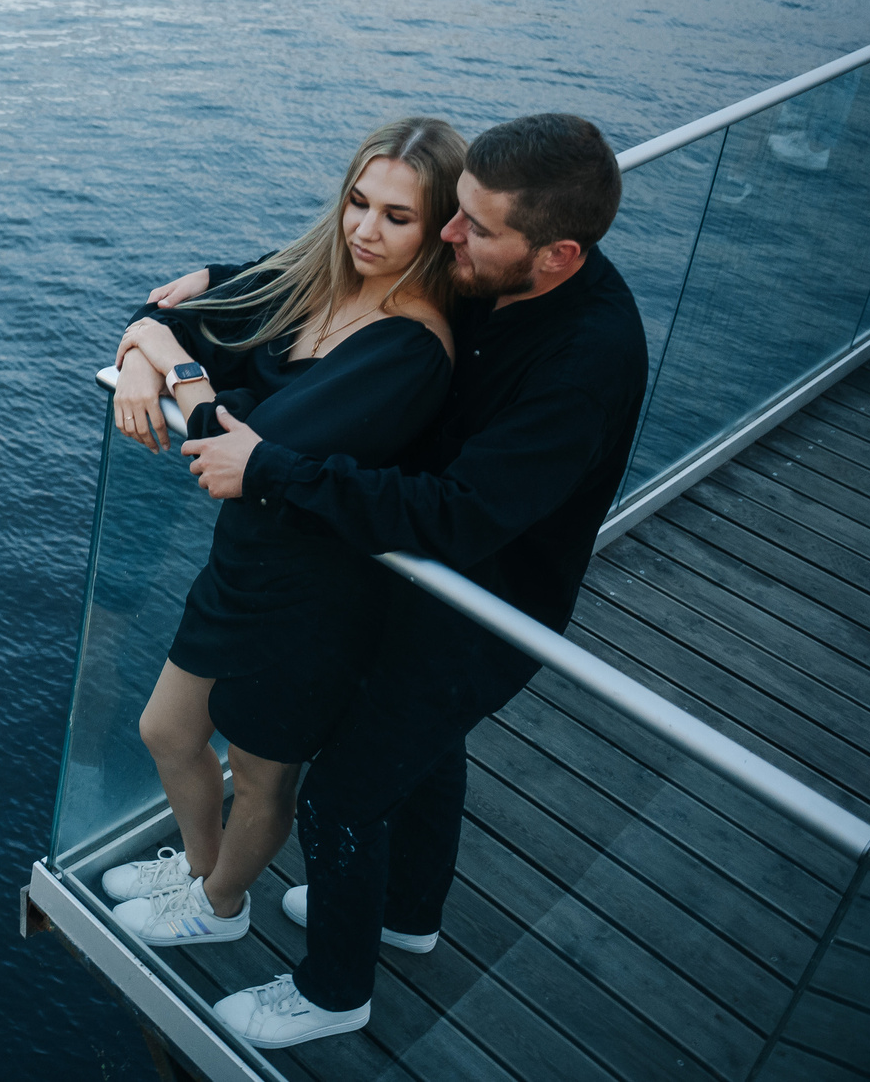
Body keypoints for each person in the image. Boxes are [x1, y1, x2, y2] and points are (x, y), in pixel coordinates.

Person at [182, 114, 647, 1049]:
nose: (447, 235)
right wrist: (222, 280)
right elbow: (355, 267)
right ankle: (407, 911)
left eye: (473, 225)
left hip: (487, 608)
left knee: (341, 794)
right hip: (426, 580)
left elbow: (461, 513)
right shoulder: (496, 271)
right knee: (424, 753)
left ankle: (333, 990)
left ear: (555, 255)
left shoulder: (582, 364)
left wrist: (271, 466)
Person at [97, 117, 467, 950]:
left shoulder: (411, 345)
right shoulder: (314, 280)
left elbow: (244, 449)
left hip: (317, 589)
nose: (366, 230)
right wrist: (148, 349)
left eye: (397, 216)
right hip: (244, 565)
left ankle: (222, 903)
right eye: (358, 202)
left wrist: (169, 359)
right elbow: (167, 310)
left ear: (439, 227)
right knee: (167, 728)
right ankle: (199, 870)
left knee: (265, 772)